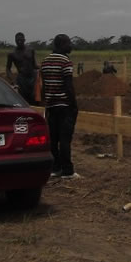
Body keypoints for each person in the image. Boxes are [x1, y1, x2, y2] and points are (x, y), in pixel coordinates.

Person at [41, 34, 80, 179]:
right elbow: (68, 86)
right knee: (65, 139)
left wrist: (46, 102)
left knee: (53, 139)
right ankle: (68, 171)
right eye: (68, 43)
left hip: (51, 106)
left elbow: (44, 86)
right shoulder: (65, 61)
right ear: (61, 44)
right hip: (64, 105)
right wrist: (74, 105)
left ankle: (55, 168)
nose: (71, 46)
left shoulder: (45, 62)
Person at [6, 32, 40, 105]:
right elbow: (8, 69)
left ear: (24, 40)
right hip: (21, 79)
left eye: (21, 40)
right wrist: (13, 80)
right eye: (17, 40)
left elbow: (34, 65)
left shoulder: (31, 50)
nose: (19, 42)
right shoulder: (12, 53)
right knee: (23, 100)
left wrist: (43, 66)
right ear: (15, 41)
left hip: (32, 77)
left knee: (35, 99)